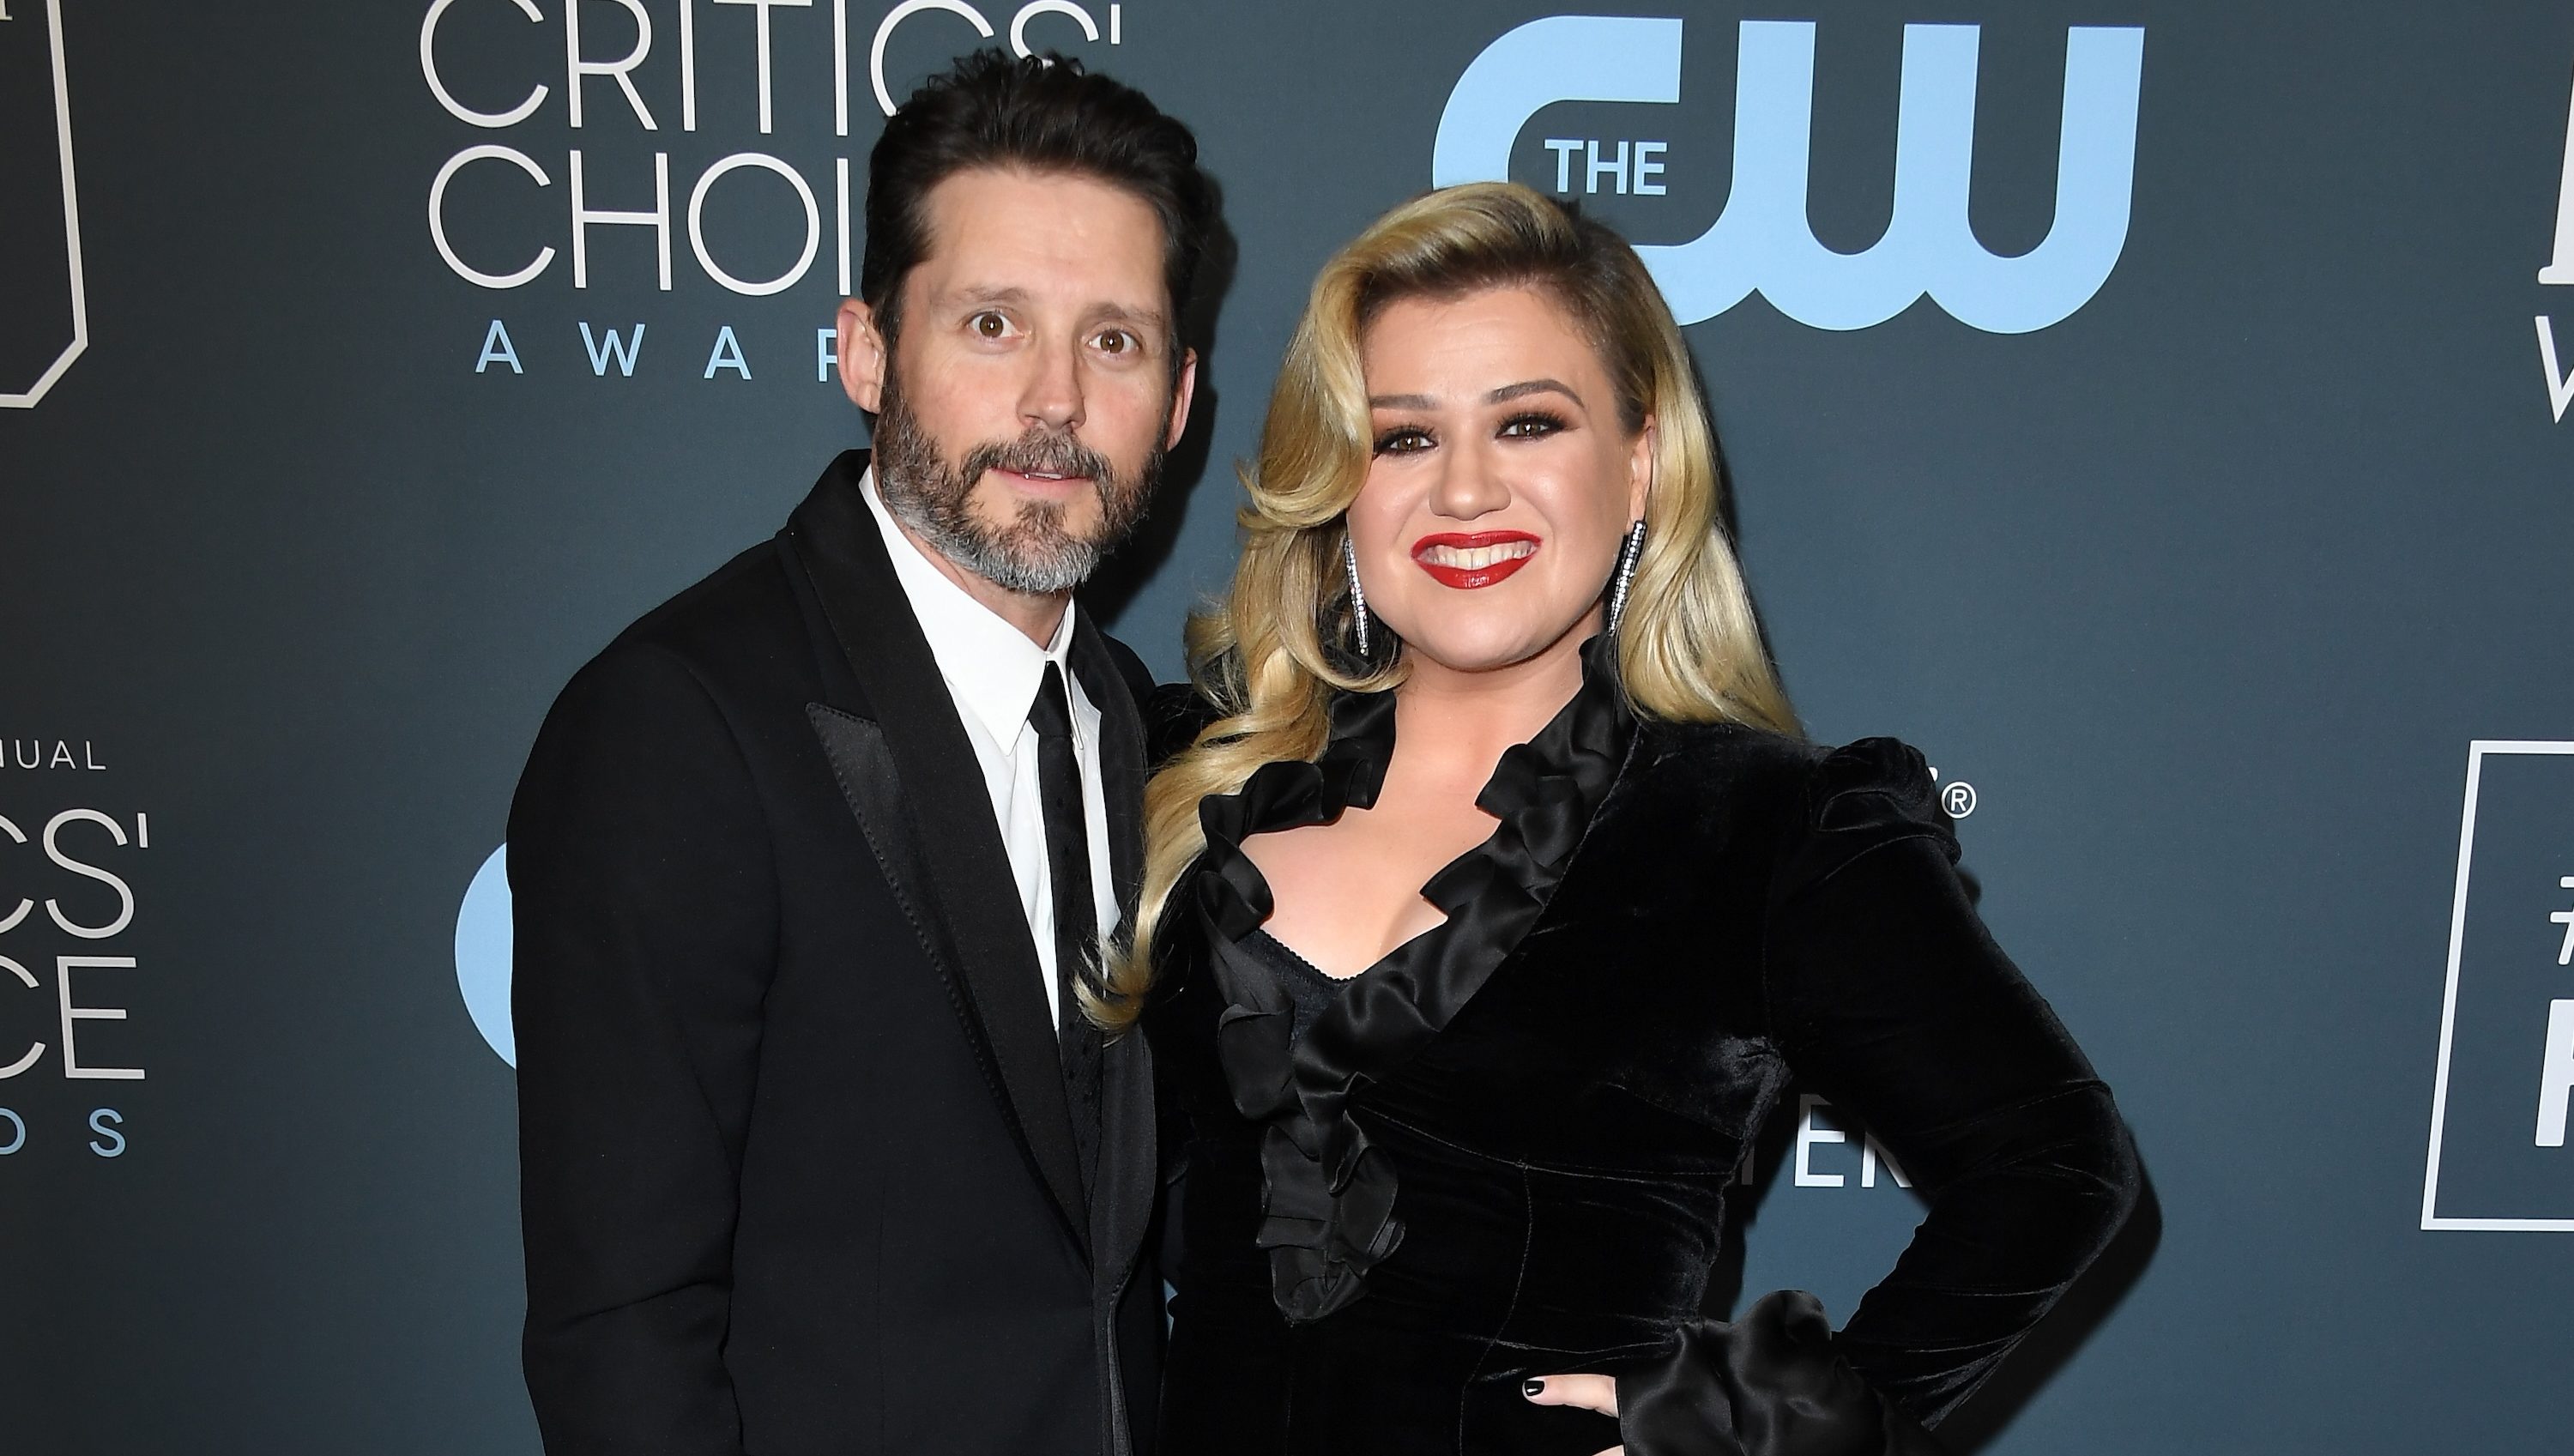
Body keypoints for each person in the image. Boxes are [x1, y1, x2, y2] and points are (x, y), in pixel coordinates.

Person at [1109, 183, 2140, 1456]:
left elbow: (2055, 1164)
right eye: (1405, 438)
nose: (1467, 491)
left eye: (1530, 422)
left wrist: (1754, 1428)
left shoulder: (1761, 830)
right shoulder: (1189, 780)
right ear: (1342, 486)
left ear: (1641, 457)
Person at [507, 51, 1211, 1456]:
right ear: (867, 350)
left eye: (1115, 340)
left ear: (1181, 397)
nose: (1058, 401)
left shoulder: (1143, 726)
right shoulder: (679, 722)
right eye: (995, 323)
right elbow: (622, 1340)